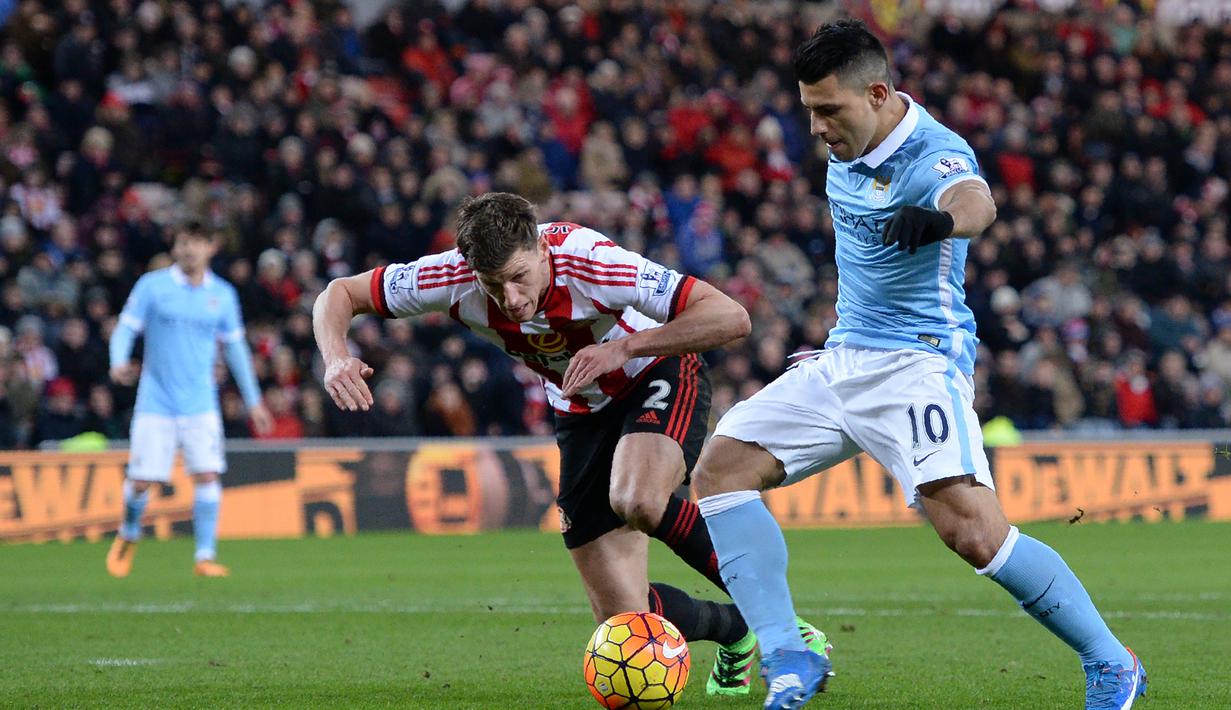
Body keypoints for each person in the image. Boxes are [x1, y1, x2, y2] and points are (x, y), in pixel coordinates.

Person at [692, 21, 1146, 710]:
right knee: (720, 471)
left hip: (917, 365)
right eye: (808, 110)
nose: (815, 128)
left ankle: (1112, 662)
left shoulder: (931, 151)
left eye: (828, 111)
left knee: (973, 533)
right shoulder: (848, 139)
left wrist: (941, 223)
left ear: (877, 93)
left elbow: (974, 200)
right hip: (844, 357)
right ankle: (788, 655)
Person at [313, 192, 828, 695]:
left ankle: (782, 625)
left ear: (541, 251)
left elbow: (731, 317)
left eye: (519, 278)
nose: (511, 299)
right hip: (579, 409)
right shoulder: (447, 277)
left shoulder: (594, 262)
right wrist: (335, 356)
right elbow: (340, 293)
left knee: (638, 498)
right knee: (623, 622)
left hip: (655, 370)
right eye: (494, 286)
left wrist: (623, 346)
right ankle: (735, 629)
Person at [106, 222, 273, 578]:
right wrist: (118, 361)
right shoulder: (152, 286)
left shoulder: (223, 294)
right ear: (174, 247)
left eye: (196, 243)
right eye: (183, 242)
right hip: (156, 402)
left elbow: (236, 349)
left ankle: (204, 555)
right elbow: (125, 328)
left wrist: (254, 401)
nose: (188, 250)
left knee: (207, 475)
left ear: (211, 247)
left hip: (200, 402)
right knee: (140, 482)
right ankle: (129, 531)